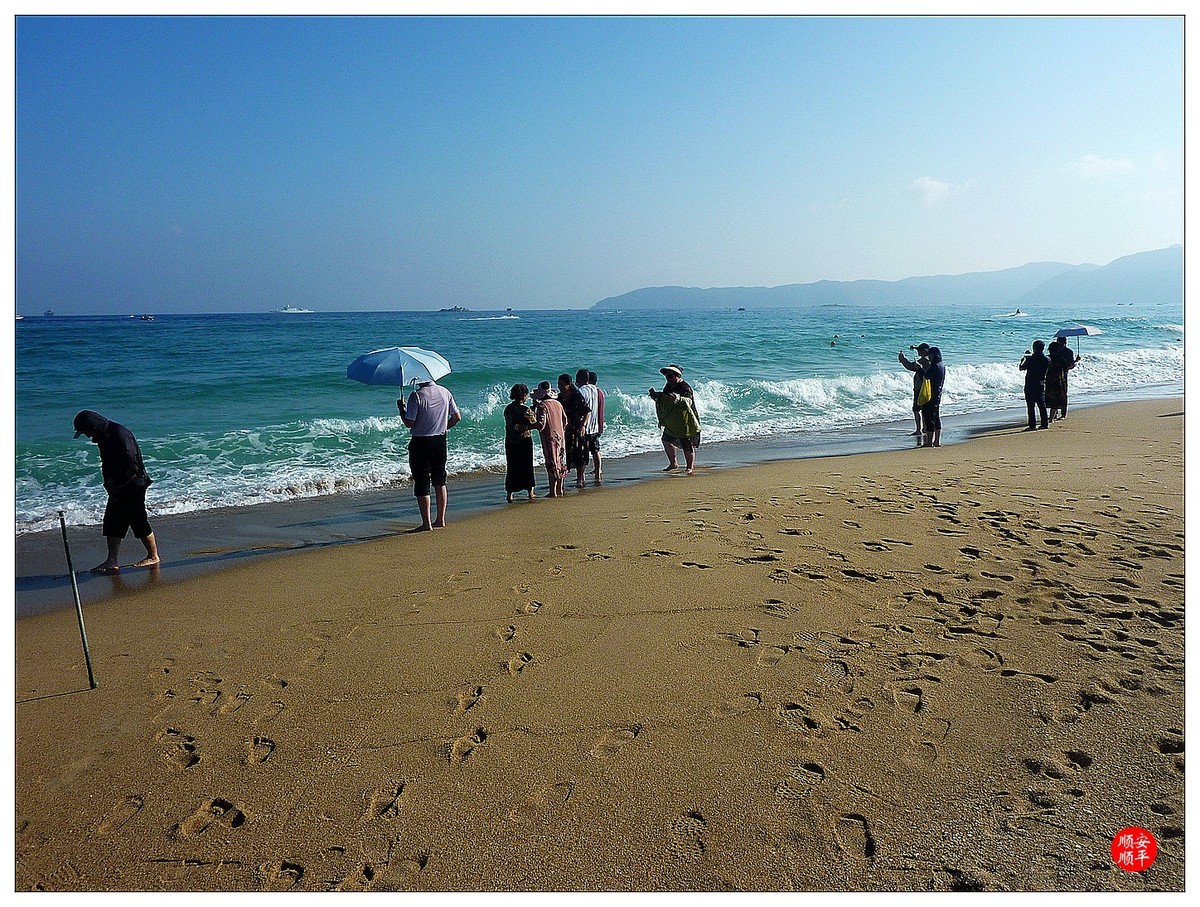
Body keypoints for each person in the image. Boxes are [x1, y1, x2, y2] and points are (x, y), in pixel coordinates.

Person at [72, 410, 159, 574]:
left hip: (133, 484)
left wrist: (120, 485)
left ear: (93, 426)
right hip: (117, 486)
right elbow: (108, 463)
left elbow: (132, 464)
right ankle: (112, 560)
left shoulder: (119, 434)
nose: (86, 435)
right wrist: (109, 484)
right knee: (112, 521)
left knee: (138, 520)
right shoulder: (103, 436)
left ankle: (153, 556)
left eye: (85, 431)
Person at [399, 378, 461, 530]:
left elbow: (410, 423)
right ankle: (440, 519)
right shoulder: (445, 392)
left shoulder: (417, 396)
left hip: (421, 442)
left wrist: (402, 409)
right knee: (440, 480)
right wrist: (443, 426)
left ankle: (426, 523)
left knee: (422, 481)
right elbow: (456, 417)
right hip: (440, 440)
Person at [648, 364, 701, 473]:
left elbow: (688, 401)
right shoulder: (668, 386)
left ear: (678, 376)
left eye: (671, 377)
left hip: (686, 420)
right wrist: (657, 397)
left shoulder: (685, 387)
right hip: (672, 420)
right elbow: (665, 399)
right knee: (666, 440)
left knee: (687, 444)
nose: (668, 379)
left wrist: (678, 398)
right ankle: (673, 463)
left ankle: (689, 467)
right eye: (667, 377)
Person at [503, 384, 537, 503]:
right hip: (524, 440)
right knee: (527, 466)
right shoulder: (525, 410)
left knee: (512, 466)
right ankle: (530, 491)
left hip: (510, 440)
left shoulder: (508, 408)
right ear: (523, 396)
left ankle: (510, 493)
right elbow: (534, 422)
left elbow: (510, 424)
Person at [532, 381, 567, 497]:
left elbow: (541, 424)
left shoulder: (542, 406)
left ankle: (552, 491)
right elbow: (565, 420)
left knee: (551, 463)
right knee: (560, 462)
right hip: (560, 436)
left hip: (550, 438)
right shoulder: (558, 404)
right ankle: (560, 489)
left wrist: (530, 425)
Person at [558, 372, 591, 488]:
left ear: (569, 384)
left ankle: (580, 479)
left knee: (580, 454)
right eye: (559, 384)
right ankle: (562, 480)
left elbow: (587, 411)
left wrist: (583, 425)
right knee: (565, 454)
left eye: (562, 385)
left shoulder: (576, 395)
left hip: (577, 428)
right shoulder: (560, 397)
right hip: (565, 430)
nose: (560, 387)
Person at [914, 347, 946, 447]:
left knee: (929, 418)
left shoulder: (935, 366)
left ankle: (929, 442)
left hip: (930, 395)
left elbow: (926, 376)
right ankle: (936, 441)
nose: (929, 357)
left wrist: (919, 368)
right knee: (936, 417)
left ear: (934, 355)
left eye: (930, 355)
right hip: (937, 394)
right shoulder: (941, 365)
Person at [898, 343, 931, 436]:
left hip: (920, 388)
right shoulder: (931, 360)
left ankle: (918, 429)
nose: (918, 352)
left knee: (916, 409)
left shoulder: (924, 360)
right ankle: (925, 428)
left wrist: (903, 359)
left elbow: (911, 367)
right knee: (925, 409)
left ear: (924, 351)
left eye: (919, 351)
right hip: (928, 388)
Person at [1019, 340, 1051, 432]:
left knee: (1030, 405)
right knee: (1042, 404)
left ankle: (1032, 425)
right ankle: (1044, 424)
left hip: (1030, 383)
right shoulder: (1047, 359)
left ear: (1034, 348)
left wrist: (1023, 360)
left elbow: (1021, 368)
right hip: (1041, 383)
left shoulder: (1030, 359)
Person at [1046, 336, 1079, 421]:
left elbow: (1068, 365)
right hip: (1060, 376)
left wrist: (1075, 361)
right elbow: (1069, 365)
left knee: (1062, 394)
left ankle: (1062, 414)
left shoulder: (1068, 352)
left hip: (1060, 376)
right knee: (1058, 394)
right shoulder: (1062, 352)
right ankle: (1055, 413)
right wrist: (1075, 362)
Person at [587, 370, 605, 483]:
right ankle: (597, 470)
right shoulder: (599, 392)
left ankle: (598, 470)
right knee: (595, 449)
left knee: (595, 449)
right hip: (598, 424)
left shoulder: (593, 392)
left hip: (593, 425)